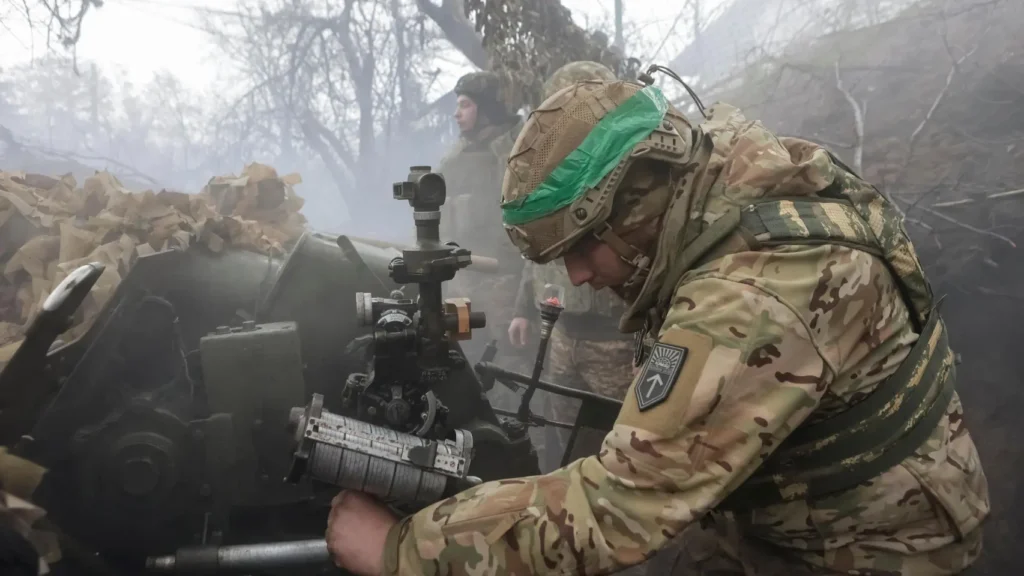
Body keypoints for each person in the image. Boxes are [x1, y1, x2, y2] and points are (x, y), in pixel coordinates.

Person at [326, 78, 990, 575]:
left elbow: (615, 510)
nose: (580, 276)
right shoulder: (721, 176)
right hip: (795, 502)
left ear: (638, 199)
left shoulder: (753, 301)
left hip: (874, 546)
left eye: (586, 246)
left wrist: (400, 549)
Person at [507, 61, 635, 474]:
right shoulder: (548, 171)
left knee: (627, 445)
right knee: (564, 438)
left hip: (616, 341)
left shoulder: (633, 165)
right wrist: (523, 310)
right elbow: (538, 249)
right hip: (561, 332)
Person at [437, 71, 524, 370]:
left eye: (465, 105)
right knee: (459, 353)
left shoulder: (516, 152)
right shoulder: (454, 156)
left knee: (509, 361)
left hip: (504, 280)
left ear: (487, 110)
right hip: (461, 279)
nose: (456, 114)